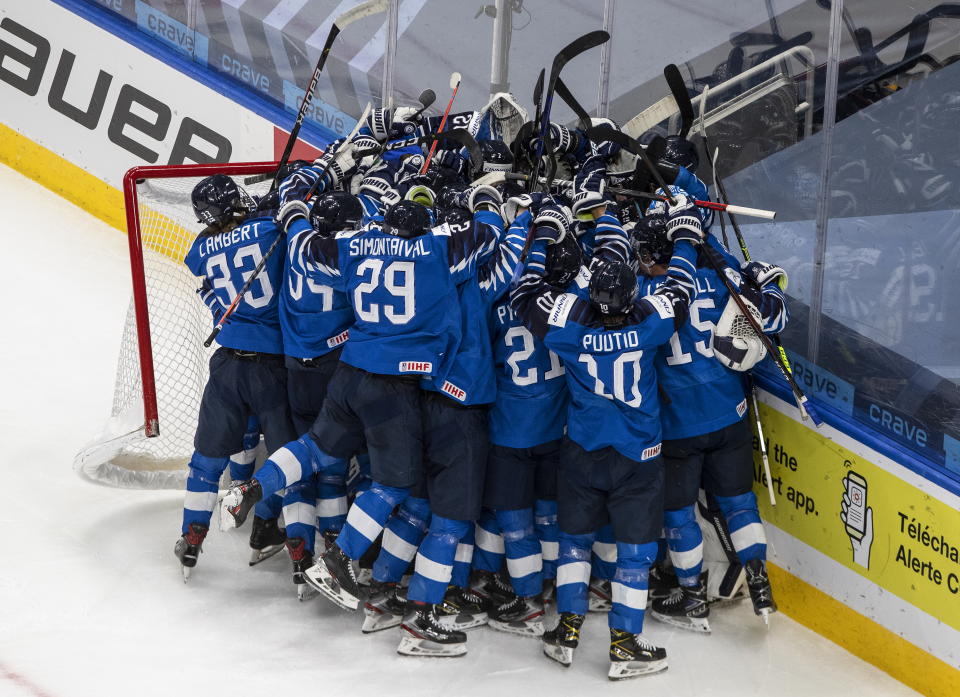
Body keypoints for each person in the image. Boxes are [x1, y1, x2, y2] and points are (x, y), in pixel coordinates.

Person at [510, 193, 703, 680]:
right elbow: (681, 284)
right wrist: (682, 236)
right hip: (638, 455)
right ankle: (623, 643)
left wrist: (548, 235)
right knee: (635, 553)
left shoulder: (568, 330)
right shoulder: (651, 326)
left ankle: (568, 630)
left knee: (574, 541)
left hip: (583, 452)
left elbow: (523, 294)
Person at [634, 190, 788, 631]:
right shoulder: (720, 279)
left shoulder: (644, 298)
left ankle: (693, 597)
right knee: (739, 504)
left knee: (678, 514)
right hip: (730, 414)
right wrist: (769, 284)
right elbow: (765, 311)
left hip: (678, 427)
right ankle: (759, 580)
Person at [175, 174, 296, 580]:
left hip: (227, 365)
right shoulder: (269, 230)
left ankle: (191, 540)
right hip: (275, 366)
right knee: (287, 460)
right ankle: (270, 535)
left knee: (206, 461)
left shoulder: (201, 247)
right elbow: (285, 219)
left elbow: (204, 265)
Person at [278, 191, 362, 598]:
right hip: (333, 371)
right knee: (330, 466)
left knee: (300, 462)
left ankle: (297, 556)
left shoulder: (299, 242)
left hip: (296, 371)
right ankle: (331, 552)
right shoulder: (354, 255)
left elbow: (293, 214)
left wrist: (295, 204)